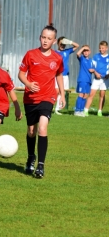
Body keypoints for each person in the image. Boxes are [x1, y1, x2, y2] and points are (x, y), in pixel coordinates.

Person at [18, 24, 65, 178]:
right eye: (43, 37)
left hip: (48, 97)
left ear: (54, 40)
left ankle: (41, 166)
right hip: (30, 98)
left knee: (42, 128)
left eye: (49, 38)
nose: (45, 41)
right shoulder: (30, 54)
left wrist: (62, 95)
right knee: (31, 131)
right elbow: (21, 74)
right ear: (40, 37)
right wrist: (28, 84)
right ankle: (31, 157)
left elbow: (59, 75)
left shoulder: (57, 58)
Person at [54, 36, 79, 115]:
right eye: (61, 43)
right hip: (57, 75)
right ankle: (50, 106)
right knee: (56, 91)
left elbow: (77, 46)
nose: (62, 45)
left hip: (65, 75)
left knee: (62, 92)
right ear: (58, 43)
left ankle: (57, 109)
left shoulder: (67, 51)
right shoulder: (54, 52)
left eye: (64, 44)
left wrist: (69, 42)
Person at [84, 41, 109, 117]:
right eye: (100, 48)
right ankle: (86, 110)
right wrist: (96, 73)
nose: (101, 49)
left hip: (105, 79)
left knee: (102, 95)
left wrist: (108, 75)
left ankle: (100, 111)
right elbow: (92, 67)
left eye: (103, 48)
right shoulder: (95, 56)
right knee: (91, 94)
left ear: (106, 48)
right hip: (97, 79)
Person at [74, 45, 94, 117]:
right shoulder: (82, 58)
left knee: (85, 95)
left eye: (87, 51)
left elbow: (93, 69)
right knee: (81, 94)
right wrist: (83, 48)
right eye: (84, 51)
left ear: (90, 52)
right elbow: (77, 54)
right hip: (82, 80)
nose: (85, 52)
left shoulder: (91, 60)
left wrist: (93, 71)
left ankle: (81, 110)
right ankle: (77, 110)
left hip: (88, 81)